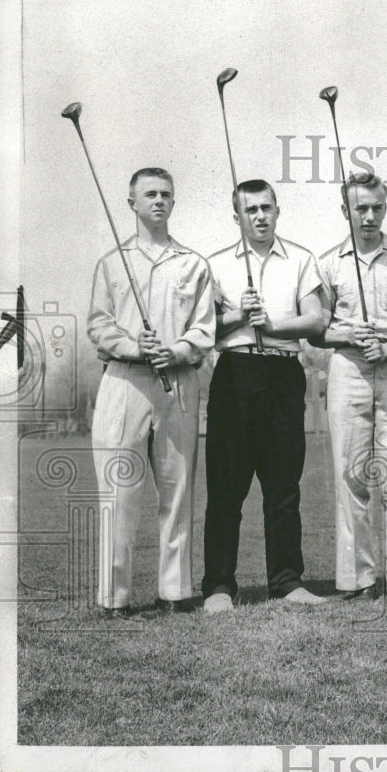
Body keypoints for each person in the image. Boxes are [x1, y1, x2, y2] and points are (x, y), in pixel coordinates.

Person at [88, 167, 215, 617]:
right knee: (119, 492)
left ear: (173, 203)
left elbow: (204, 327)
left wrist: (177, 350)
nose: (158, 201)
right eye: (149, 194)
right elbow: (99, 325)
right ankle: (114, 598)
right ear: (132, 203)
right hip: (123, 381)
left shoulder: (193, 263)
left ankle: (175, 592)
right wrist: (132, 345)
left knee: (177, 490)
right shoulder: (111, 262)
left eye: (166, 194)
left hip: (178, 381)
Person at [202, 179, 327, 613]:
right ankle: (219, 586)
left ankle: (287, 581)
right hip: (234, 372)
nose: (259, 216)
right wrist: (239, 313)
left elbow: (315, 320)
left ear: (278, 210)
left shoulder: (301, 259)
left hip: (282, 373)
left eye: (266, 208)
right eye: (250, 209)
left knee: (283, 486)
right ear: (236, 215)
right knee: (225, 487)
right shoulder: (215, 265)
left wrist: (271, 323)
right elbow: (202, 329)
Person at [310, 171, 387, 600]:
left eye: (376, 207)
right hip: (347, 370)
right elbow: (316, 330)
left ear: (385, 208)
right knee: (351, 475)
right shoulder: (328, 262)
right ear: (346, 211)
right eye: (360, 208)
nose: (369, 216)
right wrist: (348, 336)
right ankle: (357, 580)